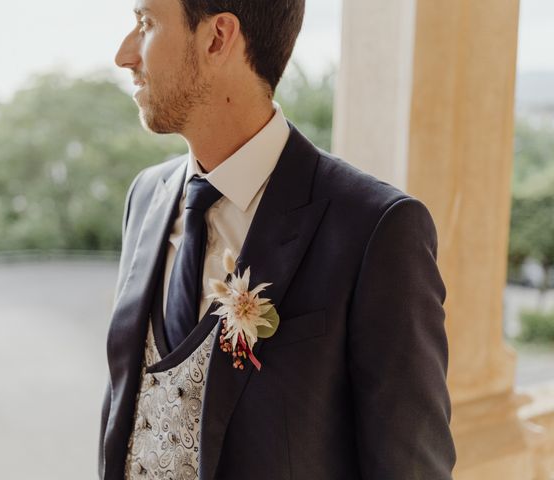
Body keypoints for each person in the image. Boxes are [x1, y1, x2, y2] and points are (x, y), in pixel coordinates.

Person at [99, 0, 457, 478]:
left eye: (145, 23)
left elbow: (411, 468)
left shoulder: (376, 230)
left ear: (218, 38)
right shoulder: (145, 197)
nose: (125, 54)